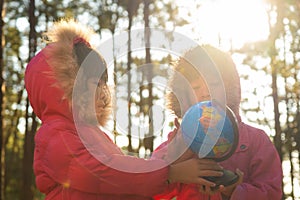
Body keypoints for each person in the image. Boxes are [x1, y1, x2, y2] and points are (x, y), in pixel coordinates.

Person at [24, 19, 224, 200]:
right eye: (95, 83)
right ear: (66, 86)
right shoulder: (55, 134)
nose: (104, 93)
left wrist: (183, 159)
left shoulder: (95, 136)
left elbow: (131, 182)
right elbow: (101, 173)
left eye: (105, 84)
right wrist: (170, 173)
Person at [153, 45, 283, 199]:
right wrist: (175, 167)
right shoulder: (175, 143)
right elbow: (150, 187)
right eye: (195, 87)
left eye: (214, 84)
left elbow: (271, 192)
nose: (205, 92)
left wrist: (234, 191)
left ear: (230, 88)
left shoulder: (255, 140)